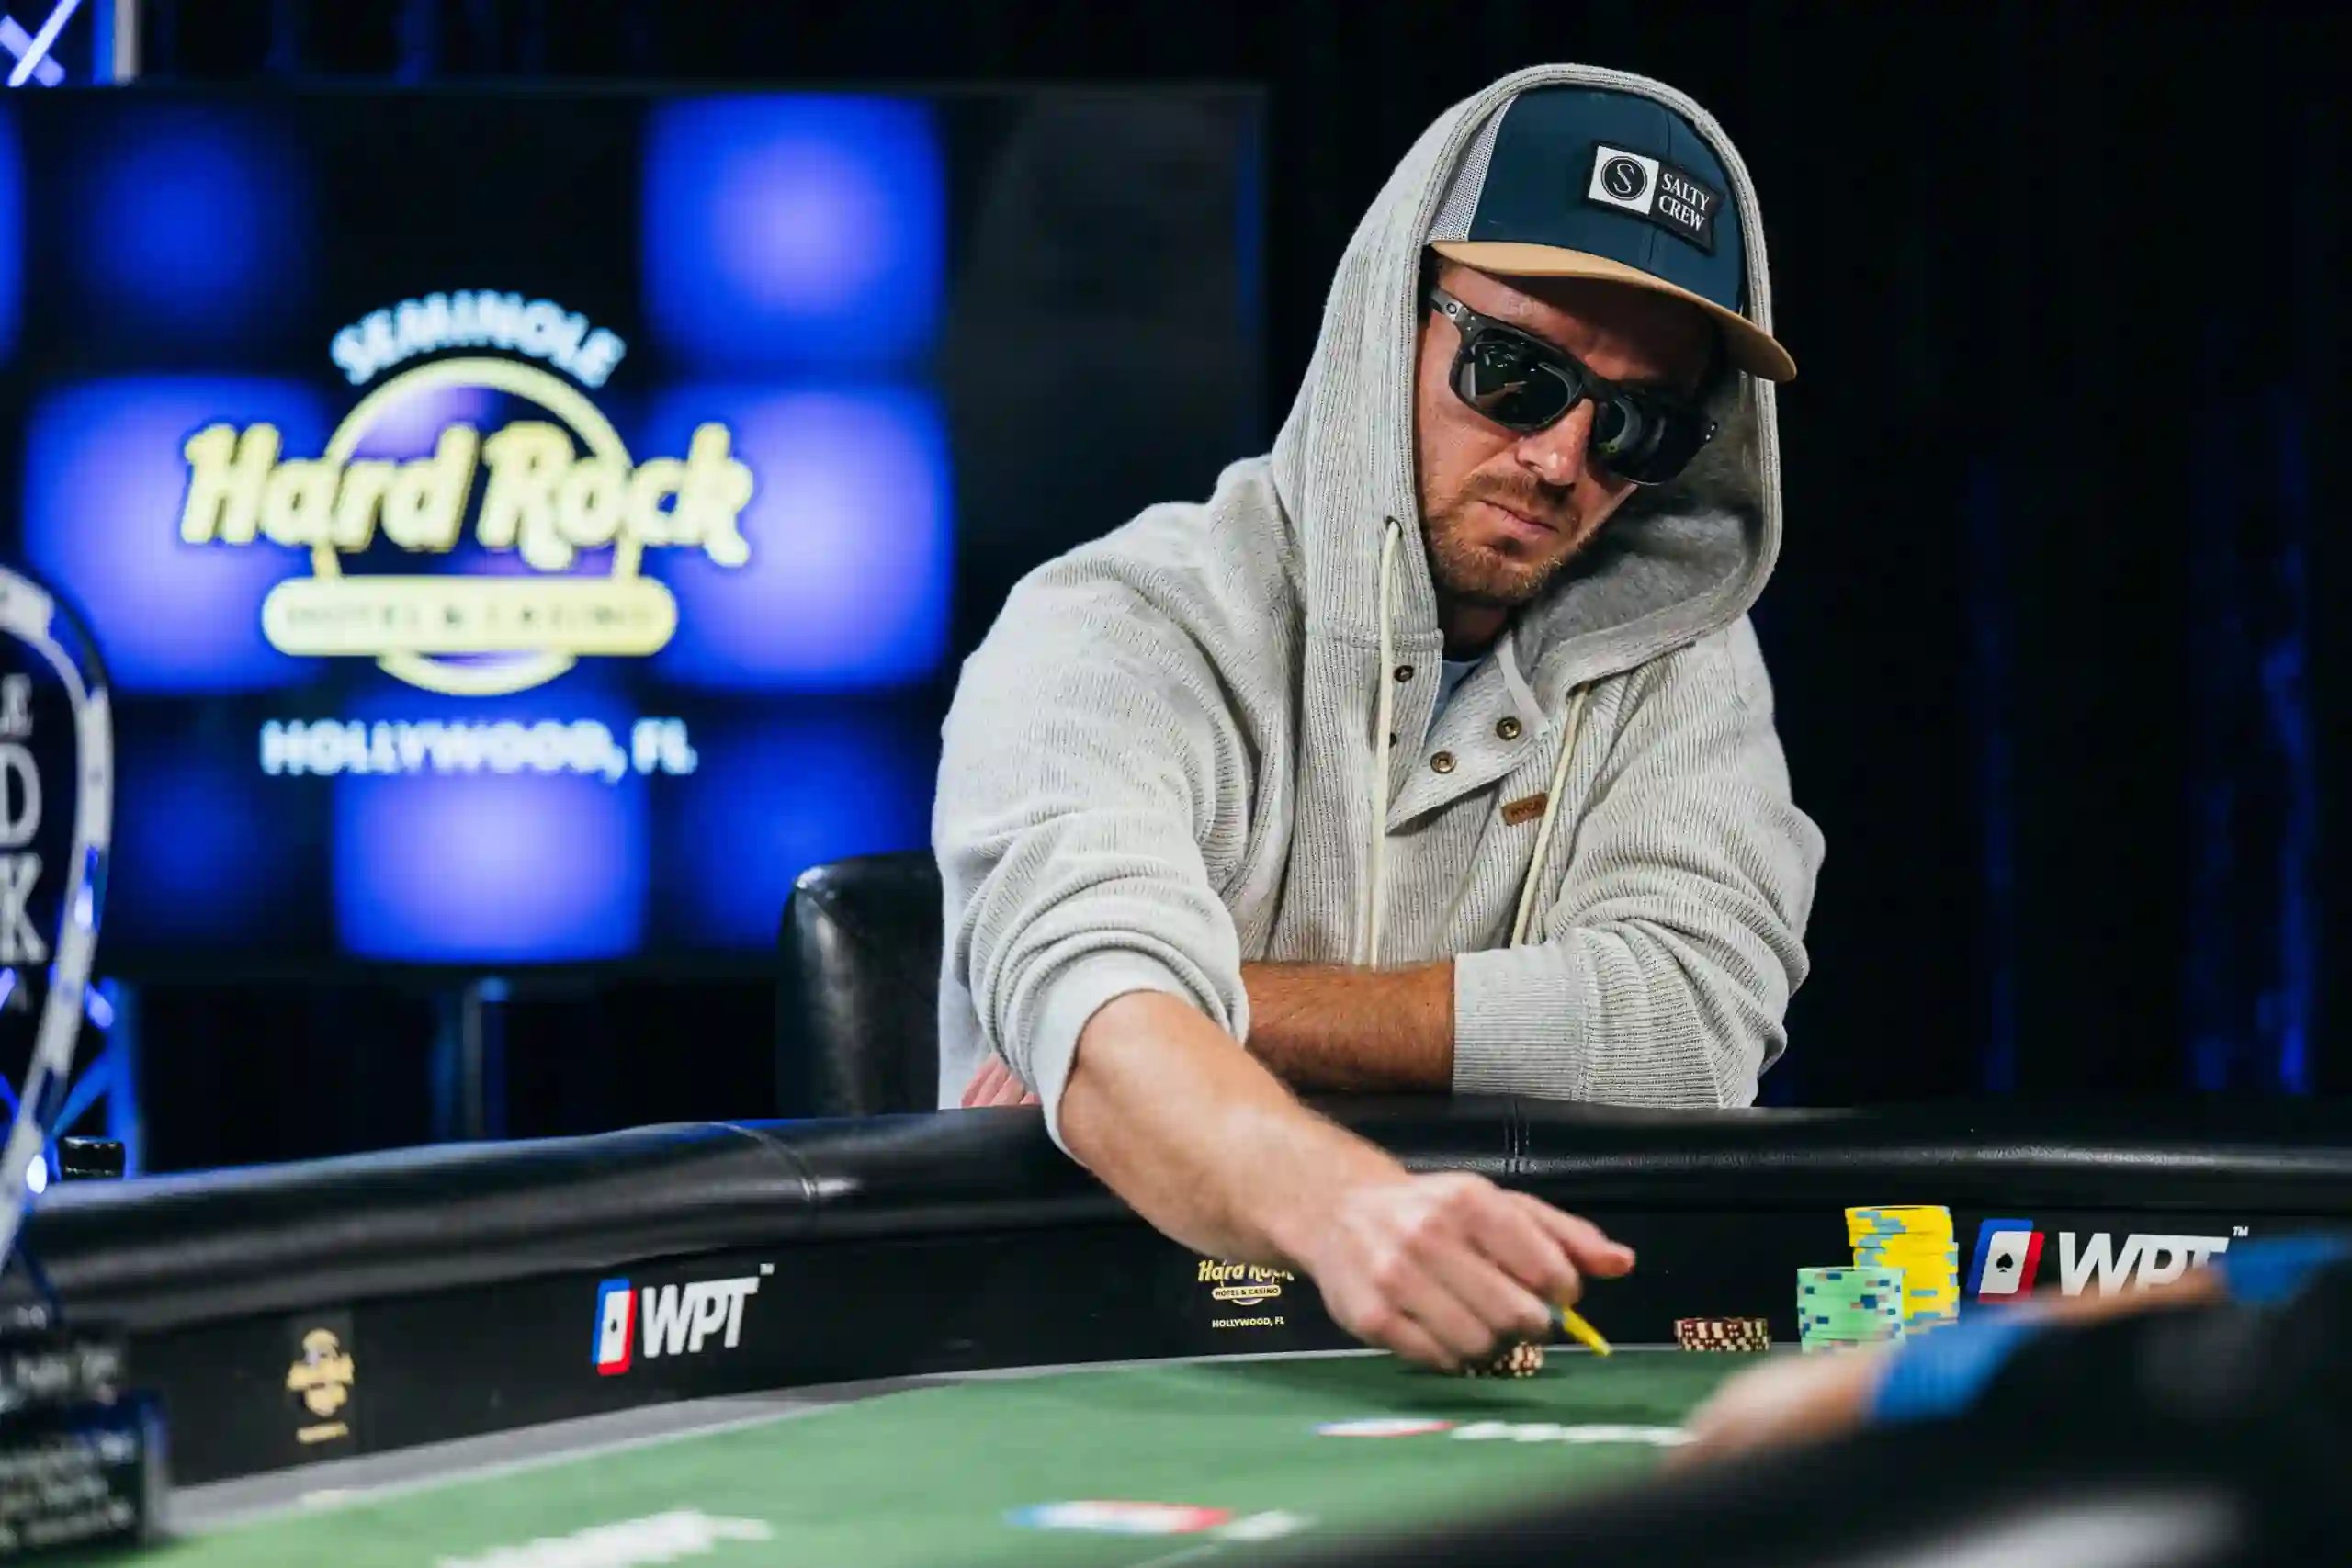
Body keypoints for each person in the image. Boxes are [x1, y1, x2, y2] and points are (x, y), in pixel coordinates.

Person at [934, 64, 1821, 1369]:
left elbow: (1688, 1027)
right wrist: (1350, 1211)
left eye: (1637, 425)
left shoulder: (1684, 659)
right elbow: (1101, 1005)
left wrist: (1224, 1006)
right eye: (1515, 373)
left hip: (1508, 1353)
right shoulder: (1118, 624)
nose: (1562, 459)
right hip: (1084, 1345)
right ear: (1384, 324)